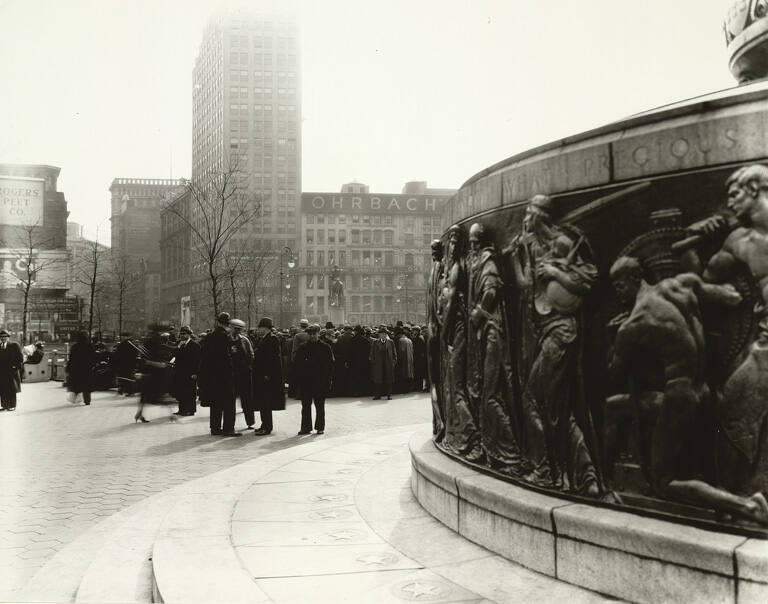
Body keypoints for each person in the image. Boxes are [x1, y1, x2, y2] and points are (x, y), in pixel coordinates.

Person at [609, 256, 768, 523]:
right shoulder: (682, 285)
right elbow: (732, 297)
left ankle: (748, 507)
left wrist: (615, 342)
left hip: (679, 396)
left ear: (635, 279)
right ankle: (726, 504)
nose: (617, 292)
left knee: (665, 481)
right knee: (699, 467)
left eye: (619, 285)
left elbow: (614, 374)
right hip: (705, 391)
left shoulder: (633, 323)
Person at [508, 194, 600, 494]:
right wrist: (517, 257)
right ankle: (584, 476)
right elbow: (526, 288)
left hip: (562, 329)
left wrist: (557, 271)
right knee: (556, 406)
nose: (526, 217)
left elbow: (588, 282)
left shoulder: (561, 243)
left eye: (530, 211)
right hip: (543, 327)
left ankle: (548, 471)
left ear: (541, 215)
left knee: (536, 400)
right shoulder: (532, 246)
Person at [199, 312, 240, 437]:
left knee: (216, 403)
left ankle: (215, 428)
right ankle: (229, 428)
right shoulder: (226, 337)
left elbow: (204, 356)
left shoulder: (209, 336)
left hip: (212, 376)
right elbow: (228, 357)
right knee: (229, 403)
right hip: (225, 376)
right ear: (228, 324)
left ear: (217, 322)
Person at [294, 323, 334, 434]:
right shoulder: (303, 347)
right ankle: (306, 427)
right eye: (310, 334)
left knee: (320, 406)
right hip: (306, 381)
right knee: (305, 406)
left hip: (320, 381)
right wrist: (299, 379)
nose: (312, 336)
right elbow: (297, 365)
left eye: (314, 333)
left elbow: (330, 366)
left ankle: (320, 427)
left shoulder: (326, 348)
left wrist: (328, 380)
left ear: (318, 333)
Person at [252, 317, 285, 435]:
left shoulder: (272, 339)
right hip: (262, 376)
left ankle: (267, 427)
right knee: (263, 402)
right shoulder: (265, 339)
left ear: (265, 328)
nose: (258, 329)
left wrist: (267, 374)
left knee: (266, 402)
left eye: (260, 327)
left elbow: (272, 359)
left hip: (266, 377)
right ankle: (264, 424)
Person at [229, 318, 255, 428]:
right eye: (235, 329)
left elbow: (251, 354)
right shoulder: (226, 340)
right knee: (230, 400)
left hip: (244, 373)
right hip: (231, 374)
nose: (237, 331)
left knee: (247, 399)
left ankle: (250, 422)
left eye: (239, 329)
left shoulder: (245, 340)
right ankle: (230, 425)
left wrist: (247, 365)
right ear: (231, 328)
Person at [172, 325, 200, 416]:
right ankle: (182, 409)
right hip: (180, 372)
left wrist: (195, 373)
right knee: (181, 391)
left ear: (189, 334)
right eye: (181, 334)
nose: (182, 336)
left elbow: (198, 360)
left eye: (184, 334)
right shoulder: (180, 344)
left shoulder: (195, 345)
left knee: (190, 392)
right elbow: (175, 356)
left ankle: (191, 410)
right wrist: (178, 347)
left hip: (190, 372)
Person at [66, 331, 95, 406]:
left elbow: (72, 359)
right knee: (87, 386)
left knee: (77, 384)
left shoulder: (75, 347)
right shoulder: (89, 346)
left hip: (77, 369)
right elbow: (93, 358)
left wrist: (69, 368)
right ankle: (87, 401)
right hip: (87, 369)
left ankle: (75, 397)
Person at [370, 326, 396, 400]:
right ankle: (377, 395)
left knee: (389, 380)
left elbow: (394, 353)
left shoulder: (391, 342)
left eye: (385, 334)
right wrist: (373, 363)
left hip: (388, 364)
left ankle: (389, 395)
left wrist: (393, 362)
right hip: (378, 364)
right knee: (378, 380)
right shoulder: (375, 342)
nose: (383, 335)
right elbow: (372, 353)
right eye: (382, 334)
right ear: (379, 335)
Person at [0, 329, 23, 411]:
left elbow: (20, 358)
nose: (3, 338)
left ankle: (12, 405)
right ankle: (5, 405)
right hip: (2, 372)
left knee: (12, 388)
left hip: (11, 371)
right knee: (2, 388)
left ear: (8, 337)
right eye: (1, 337)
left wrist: (16, 367)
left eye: (5, 336)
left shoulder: (14, 345)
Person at [288, 319, 310, 398]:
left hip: (299, 360)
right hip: (309, 359)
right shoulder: (309, 335)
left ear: (300, 325)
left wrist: (293, 359)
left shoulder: (297, 335)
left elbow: (295, 349)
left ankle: (299, 394)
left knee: (299, 377)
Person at [348, 325, 372, 397]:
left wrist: (348, 361)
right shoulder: (366, 341)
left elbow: (349, 352)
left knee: (355, 377)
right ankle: (364, 391)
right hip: (364, 362)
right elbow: (369, 352)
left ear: (355, 331)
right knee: (363, 376)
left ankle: (356, 392)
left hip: (354, 362)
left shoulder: (352, 340)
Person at [393, 326, 414, 393]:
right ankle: (408, 388)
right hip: (409, 359)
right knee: (408, 373)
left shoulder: (397, 339)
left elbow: (396, 352)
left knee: (401, 373)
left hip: (401, 359)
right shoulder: (409, 339)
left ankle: (401, 389)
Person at [411, 326, 427, 392]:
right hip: (417, 358)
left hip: (419, 358)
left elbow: (421, 349)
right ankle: (417, 387)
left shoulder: (419, 338)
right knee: (417, 373)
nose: (414, 332)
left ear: (417, 331)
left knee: (419, 373)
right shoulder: (418, 337)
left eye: (415, 330)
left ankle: (419, 387)